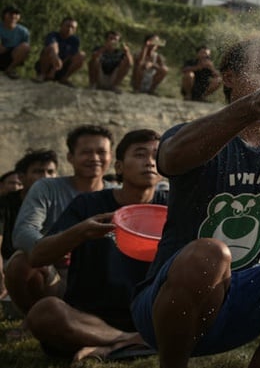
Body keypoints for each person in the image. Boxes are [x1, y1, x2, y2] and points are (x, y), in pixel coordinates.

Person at [130, 34, 260, 368]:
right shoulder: (197, 133)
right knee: (210, 254)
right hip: (170, 304)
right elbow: (169, 159)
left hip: (248, 301)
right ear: (228, 78)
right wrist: (248, 109)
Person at [24, 129, 165, 363]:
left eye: (156, 156)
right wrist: (79, 232)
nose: (150, 162)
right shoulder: (89, 204)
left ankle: (119, 343)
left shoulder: (171, 207)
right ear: (119, 167)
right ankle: (131, 341)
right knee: (44, 313)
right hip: (86, 317)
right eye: (140, 154)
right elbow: (37, 256)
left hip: (148, 316)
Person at [5, 126, 111, 314]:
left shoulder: (117, 193)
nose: (94, 158)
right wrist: (55, 247)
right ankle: (31, 317)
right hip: (56, 273)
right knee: (20, 262)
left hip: (102, 275)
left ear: (111, 157)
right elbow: (23, 232)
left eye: (101, 152)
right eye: (86, 152)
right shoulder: (47, 188)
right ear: (70, 157)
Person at [0, 149, 58, 299]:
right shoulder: (4, 204)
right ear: (21, 177)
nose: (45, 177)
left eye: (50, 172)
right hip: (11, 263)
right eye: (38, 172)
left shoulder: (61, 203)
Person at [34, 17, 85, 86]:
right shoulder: (53, 35)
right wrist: (55, 59)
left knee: (81, 55)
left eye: (72, 27)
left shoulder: (75, 40)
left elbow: (70, 55)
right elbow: (52, 47)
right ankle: (42, 75)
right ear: (61, 26)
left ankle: (64, 78)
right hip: (48, 63)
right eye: (67, 26)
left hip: (62, 66)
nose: (69, 29)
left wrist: (55, 70)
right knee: (50, 48)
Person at [0, 5, 30, 79]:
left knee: (25, 46)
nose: (13, 16)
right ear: (4, 15)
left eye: (16, 14)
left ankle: (10, 69)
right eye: (11, 13)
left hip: (12, 56)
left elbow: (25, 51)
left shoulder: (23, 31)